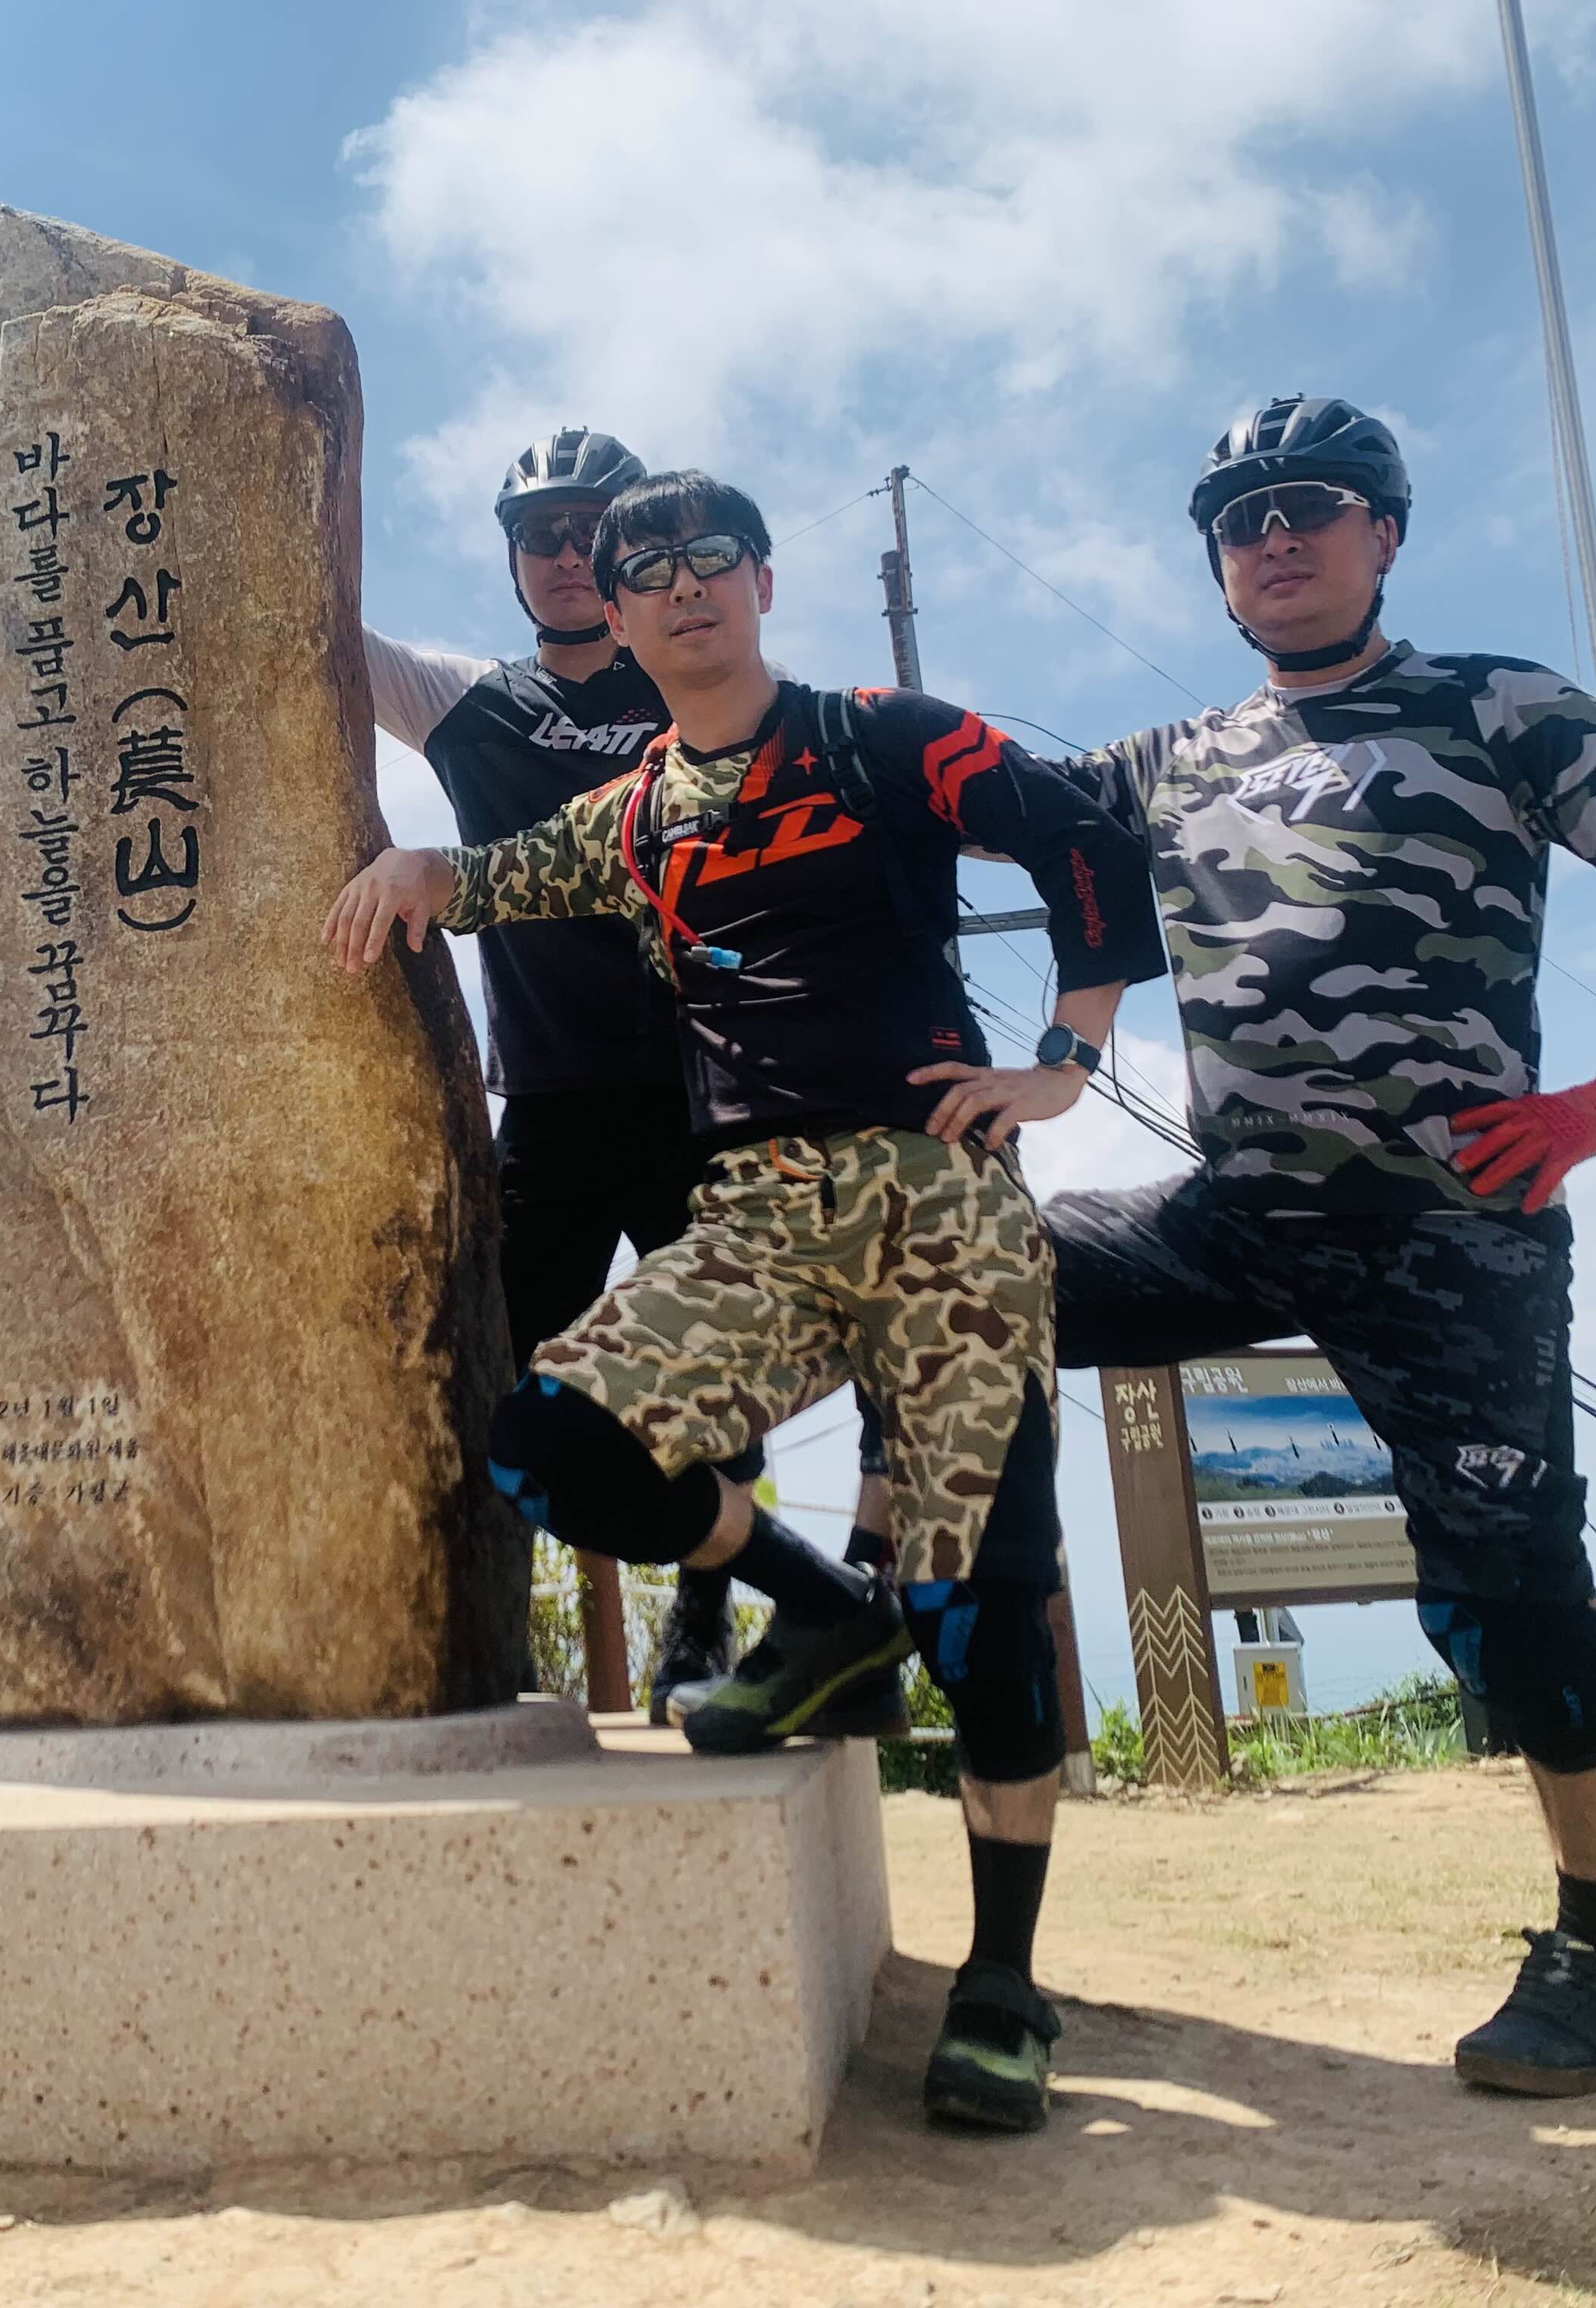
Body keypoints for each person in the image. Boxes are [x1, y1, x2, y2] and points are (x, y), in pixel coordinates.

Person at [328, 472, 1168, 2131]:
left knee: (983, 1602)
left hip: (942, 1203)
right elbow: (494, 877)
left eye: (712, 556)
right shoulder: (637, 809)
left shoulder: (886, 738)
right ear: (617, 610)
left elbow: (1082, 830)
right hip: (758, 1221)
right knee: (548, 1443)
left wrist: (1066, 1060)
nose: (681, 585)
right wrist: (416, 867)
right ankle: (822, 1604)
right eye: (646, 568)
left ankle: (1003, 1982)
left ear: (764, 582)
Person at [999, 396, 1596, 2097]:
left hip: (1451, 1232)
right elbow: (961, 803)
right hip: (1234, 1211)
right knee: (959, 1276)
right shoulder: (1167, 758)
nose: (1276, 536)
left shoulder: (1498, 704)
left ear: (1385, 533)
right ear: (1216, 561)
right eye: (1242, 517)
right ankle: (869, 1623)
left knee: (1515, 1599)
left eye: (1315, 505)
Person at [362, 426, 759, 1723]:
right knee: (502, 1377)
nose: (571, 554)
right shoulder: (465, 702)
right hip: (548, 1111)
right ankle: (493, 1644)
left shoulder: (700, 687)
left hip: (712, 1094)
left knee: (717, 1371)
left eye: (598, 532)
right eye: (543, 535)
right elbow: (314, 631)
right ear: (513, 559)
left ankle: (703, 1622)